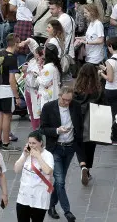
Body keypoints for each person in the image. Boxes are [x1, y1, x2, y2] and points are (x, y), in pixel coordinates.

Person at [39, 86, 83, 222]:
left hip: (70, 148)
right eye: (64, 100)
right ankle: (67, 211)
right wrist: (57, 130)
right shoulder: (48, 107)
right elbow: (42, 129)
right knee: (60, 181)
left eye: (69, 100)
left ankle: (51, 205)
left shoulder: (75, 106)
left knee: (60, 181)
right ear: (59, 96)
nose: (67, 103)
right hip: (56, 148)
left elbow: (80, 126)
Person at [14, 130, 54, 221]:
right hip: (23, 197)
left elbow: (48, 171)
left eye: (34, 143)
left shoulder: (48, 155)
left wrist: (38, 156)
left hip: (39, 197)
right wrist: (24, 155)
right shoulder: (27, 153)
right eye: (29, 143)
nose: (31, 145)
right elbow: (16, 169)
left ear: (41, 143)